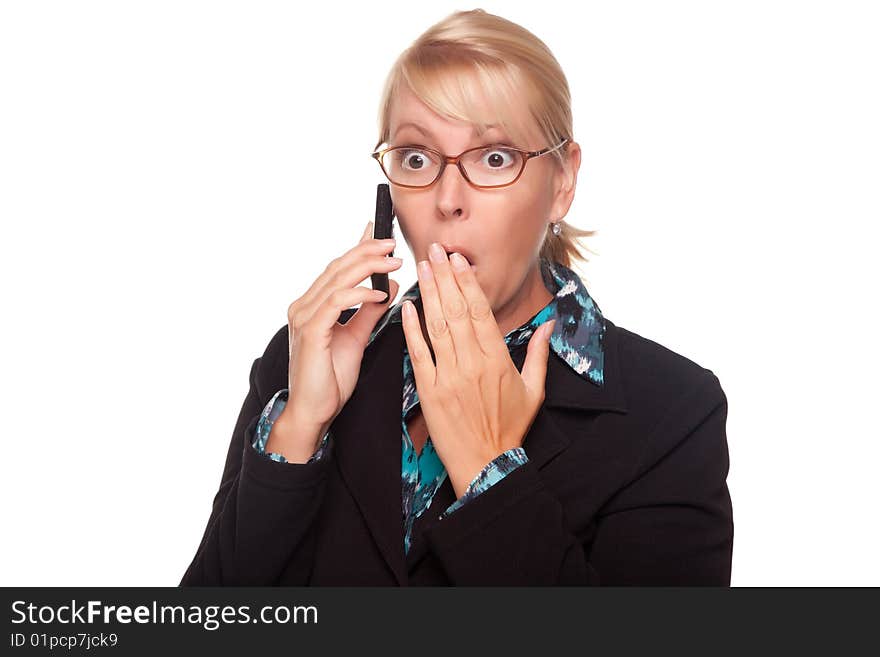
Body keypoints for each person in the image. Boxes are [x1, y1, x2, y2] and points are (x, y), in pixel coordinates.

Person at [180, 8, 733, 586]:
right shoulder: (305, 361)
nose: (448, 200)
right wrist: (300, 427)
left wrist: (490, 472)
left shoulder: (672, 411)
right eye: (416, 158)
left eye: (495, 158)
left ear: (562, 183)